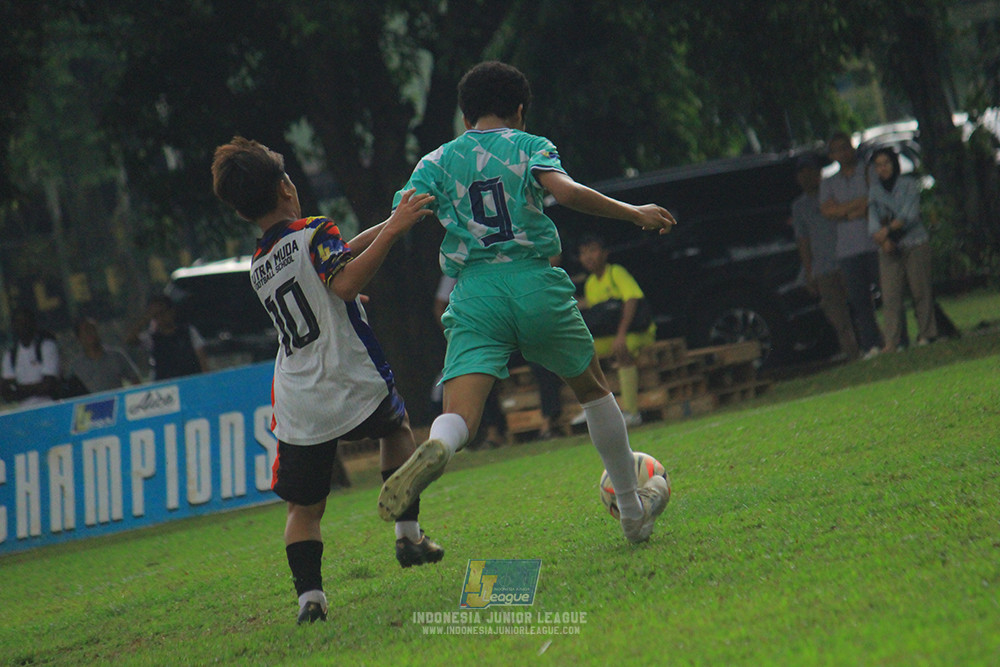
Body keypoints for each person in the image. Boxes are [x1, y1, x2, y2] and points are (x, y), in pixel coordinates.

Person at [377, 61, 675, 544]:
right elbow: (568, 193)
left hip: (473, 292)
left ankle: (438, 445)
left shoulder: (435, 162)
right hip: (533, 282)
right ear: (519, 109)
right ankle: (630, 508)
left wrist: (345, 254)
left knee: (461, 415)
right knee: (595, 390)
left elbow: (396, 221)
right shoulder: (530, 145)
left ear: (463, 111)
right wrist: (633, 212)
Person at [211, 136, 440, 625]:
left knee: (304, 507)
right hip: (347, 375)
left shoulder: (258, 263)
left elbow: (330, 260)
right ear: (286, 188)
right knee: (396, 430)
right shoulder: (315, 231)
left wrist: (391, 219)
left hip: (299, 398)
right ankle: (408, 536)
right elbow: (344, 281)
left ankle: (310, 599)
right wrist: (396, 230)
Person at [575, 234, 656, 425]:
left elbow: (632, 299)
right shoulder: (590, 283)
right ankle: (592, 408)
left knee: (622, 349)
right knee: (579, 356)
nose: (588, 257)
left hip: (636, 333)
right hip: (610, 336)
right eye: (583, 253)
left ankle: (631, 412)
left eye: (593, 250)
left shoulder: (616, 272)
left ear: (605, 253)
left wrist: (621, 335)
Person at [820, 132, 884, 360]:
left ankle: (898, 339)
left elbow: (873, 199)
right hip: (848, 250)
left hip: (873, 243)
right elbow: (828, 211)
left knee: (887, 293)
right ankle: (871, 344)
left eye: (846, 147)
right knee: (859, 300)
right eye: (838, 149)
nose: (843, 152)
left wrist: (844, 211)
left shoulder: (868, 172)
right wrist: (855, 208)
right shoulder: (829, 182)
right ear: (832, 155)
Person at [867, 147, 938, 352]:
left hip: (914, 242)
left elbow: (910, 215)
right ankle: (892, 341)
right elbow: (872, 223)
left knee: (920, 290)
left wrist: (888, 230)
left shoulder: (907, 184)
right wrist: (884, 240)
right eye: (878, 165)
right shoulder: (875, 191)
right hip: (888, 247)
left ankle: (927, 333)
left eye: (886, 163)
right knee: (890, 296)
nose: (883, 169)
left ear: (894, 164)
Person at [791, 154, 860, 361]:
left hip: (847, 258)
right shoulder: (799, 207)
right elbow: (803, 241)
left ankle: (876, 345)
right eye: (802, 173)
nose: (807, 177)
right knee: (838, 318)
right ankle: (853, 354)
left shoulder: (833, 193)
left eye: (810, 171)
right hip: (823, 268)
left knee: (860, 307)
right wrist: (809, 271)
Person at [432, 274, 506, 448]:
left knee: (485, 379)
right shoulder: (454, 270)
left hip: (498, 338)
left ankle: (447, 444)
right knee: (441, 393)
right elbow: (439, 306)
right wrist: (455, 335)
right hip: (473, 344)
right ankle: (444, 444)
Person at [125, 295, 210, 380]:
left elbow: (202, 359)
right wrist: (145, 319)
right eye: (156, 315)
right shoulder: (151, 338)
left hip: (190, 379)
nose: (160, 318)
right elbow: (130, 340)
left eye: (162, 313)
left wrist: (206, 380)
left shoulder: (189, 332)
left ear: (171, 311)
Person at [1, 306, 60, 408]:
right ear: (13, 326)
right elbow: (6, 393)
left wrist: (17, 388)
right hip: (24, 412)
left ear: (33, 322)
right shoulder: (10, 356)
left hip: (50, 406)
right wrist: (36, 387)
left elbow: (48, 386)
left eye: (26, 321)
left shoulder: (47, 346)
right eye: (18, 322)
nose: (23, 325)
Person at [67, 317, 142, 394]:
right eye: (86, 330)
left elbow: (136, 381)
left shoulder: (116, 356)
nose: (91, 333)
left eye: (93, 329)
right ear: (79, 337)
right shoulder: (75, 367)